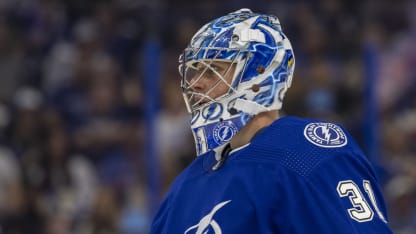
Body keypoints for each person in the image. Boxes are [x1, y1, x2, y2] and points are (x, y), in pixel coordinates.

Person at [150, 8, 393, 233]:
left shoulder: (305, 152)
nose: (195, 83)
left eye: (214, 69)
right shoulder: (184, 186)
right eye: (194, 70)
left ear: (258, 76)